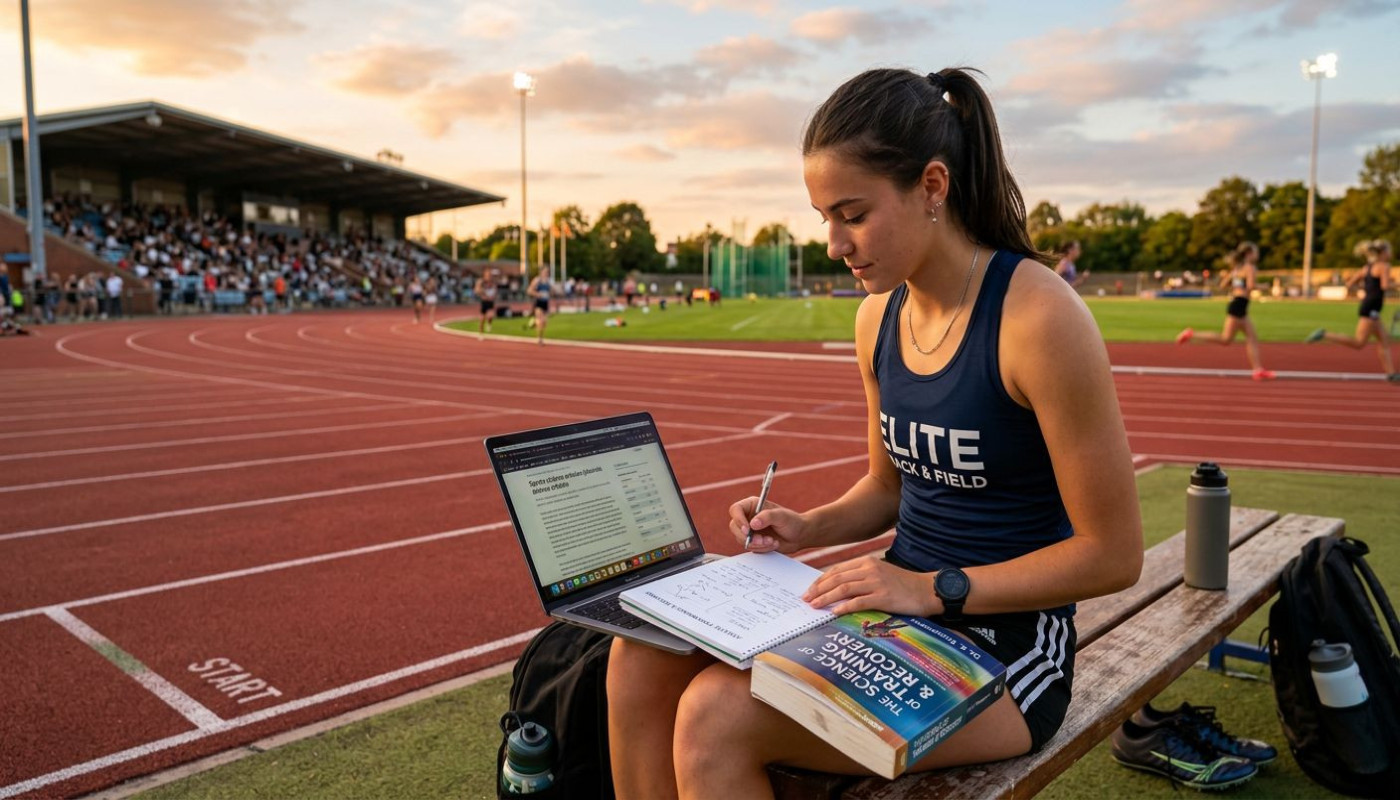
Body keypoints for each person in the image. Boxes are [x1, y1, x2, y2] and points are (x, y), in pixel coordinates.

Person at [606, 67, 1144, 799]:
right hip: (897, 610)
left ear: (931, 186)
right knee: (639, 654)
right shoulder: (877, 318)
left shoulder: (1038, 318)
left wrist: (931, 589)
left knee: (717, 716)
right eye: (823, 216)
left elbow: (1112, 557)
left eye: (851, 214)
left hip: (1007, 647)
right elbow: (888, 486)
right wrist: (808, 526)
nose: (832, 242)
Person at [1174, 242, 1275, 381]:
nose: (1257, 255)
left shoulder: (1236, 269)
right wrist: (1263, 286)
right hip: (1240, 304)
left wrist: (1237, 284)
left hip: (1237, 303)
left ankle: (1258, 369)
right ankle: (1191, 334)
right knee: (1229, 339)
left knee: (1244, 338)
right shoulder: (1250, 268)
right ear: (1248, 254)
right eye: (1255, 252)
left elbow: (1223, 284)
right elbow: (1251, 286)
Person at [1305, 239, 1398, 382]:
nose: (1390, 253)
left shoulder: (1367, 267)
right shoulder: (1384, 266)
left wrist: (1367, 289)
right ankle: (1325, 334)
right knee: (1359, 343)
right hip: (1372, 307)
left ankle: (1391, 373)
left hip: (1369, 305)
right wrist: (1396, 284)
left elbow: (1349, 283)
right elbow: (1385, 286)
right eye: (1389, 251)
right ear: (1384, 252)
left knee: (1384, 340)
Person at [526, 266, 551, 345]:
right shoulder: (537, 280)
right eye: (545, 271)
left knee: (545, 322)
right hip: (538, 302)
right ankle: (540, 339)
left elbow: (551, 291)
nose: (547, 273)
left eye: (548, 272)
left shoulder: (548, 281)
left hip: (545, 302)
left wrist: (551, 293)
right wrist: (537, 294)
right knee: (541, 320)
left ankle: (534, 322)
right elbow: (529, 291)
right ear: (541, 272)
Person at [475, 270, 498, 334]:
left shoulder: (493, 282)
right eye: (488, 275)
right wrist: (482, 292)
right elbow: (477, 290)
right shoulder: (481, 282)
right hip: (484, 301)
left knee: (490, 316)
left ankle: (489, 324)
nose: (489, 277)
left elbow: (495, 290)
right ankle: (480, 331)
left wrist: (493, 296)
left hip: (490, 301)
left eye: (490, 275)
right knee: (482, 318)